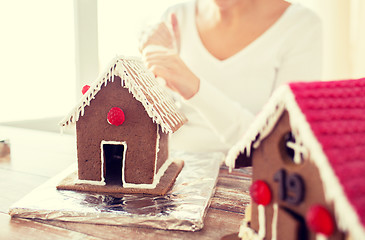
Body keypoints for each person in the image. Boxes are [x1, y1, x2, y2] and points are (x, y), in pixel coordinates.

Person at [139, 0, 322, 154]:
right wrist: (151, 69)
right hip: (177, 175)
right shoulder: (177, 17)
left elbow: (279, 147)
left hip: (252, 181)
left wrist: (195, 89)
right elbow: (153, 127)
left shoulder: (301, 26)